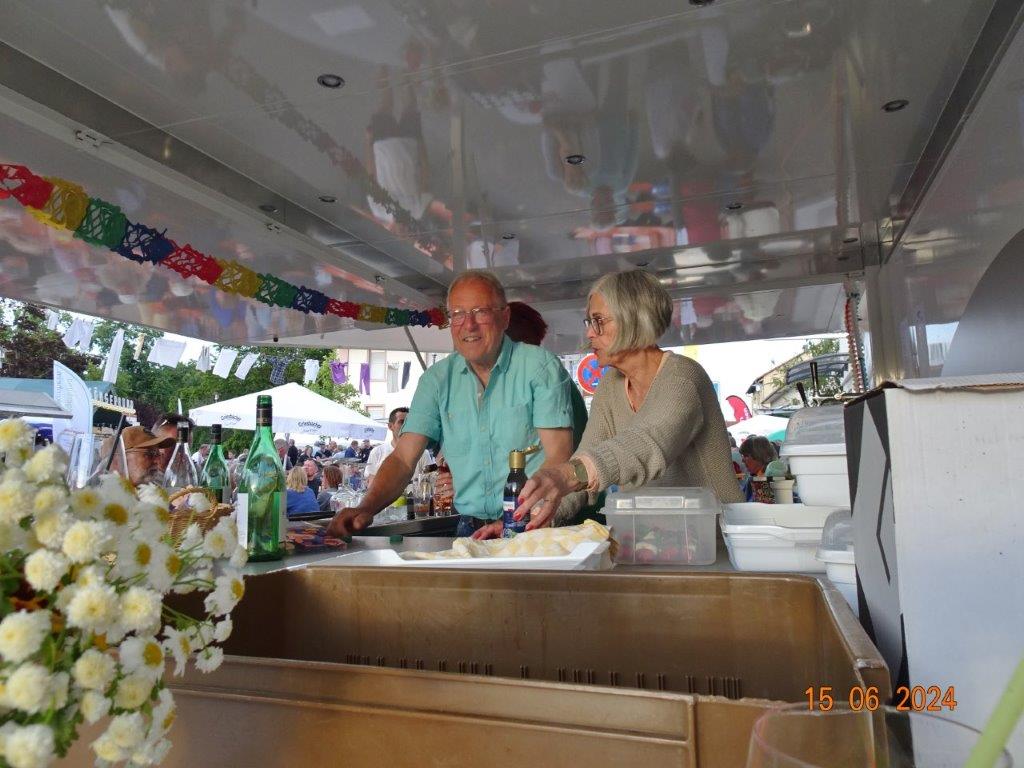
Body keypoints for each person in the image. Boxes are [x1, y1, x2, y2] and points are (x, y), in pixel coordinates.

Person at [327, 269, 575, 538]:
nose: (469, 325)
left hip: (532, 525)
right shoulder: (437, 380)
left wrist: (518, 519)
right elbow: (403, 458)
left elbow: (558, 457)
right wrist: (365, 508)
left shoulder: (539, 367)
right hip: (469, 529)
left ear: (504, 317)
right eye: (458, 314)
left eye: (480, 312)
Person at [502, 269, 744, 537]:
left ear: (634, 319)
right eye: (589, 322)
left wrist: (567, 474)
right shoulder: (611, 384)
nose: (589, 333)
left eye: (598, 321)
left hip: (715, 543)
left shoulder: (683, 377)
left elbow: (647, 444)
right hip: (652, 542)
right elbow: (585, 464)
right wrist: (525, 521)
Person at [366, 408, 431, 485]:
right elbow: (371, 482)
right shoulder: (377, 452)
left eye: (409, 423)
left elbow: (429, 481)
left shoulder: (422, 453)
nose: (406, 426)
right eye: (402, 422)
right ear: (390, 426)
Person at [109, 425, 175, 486]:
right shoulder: (107, 491)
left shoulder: (159, 487)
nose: (157, 461)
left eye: (158, 455)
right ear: (119, 459)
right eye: (149, 454)